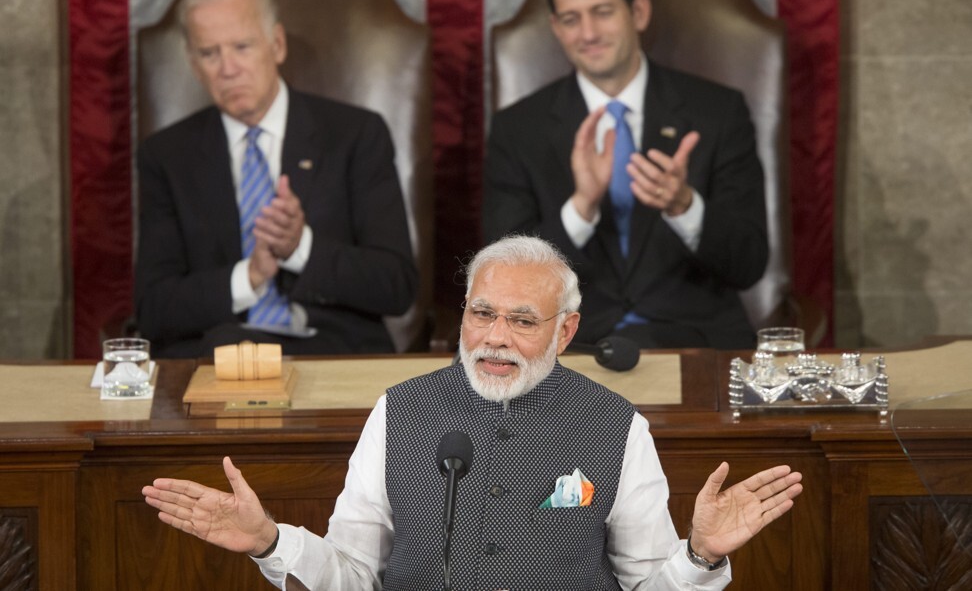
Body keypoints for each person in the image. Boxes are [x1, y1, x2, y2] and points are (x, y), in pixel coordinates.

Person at [143, 235, 802, 590]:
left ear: (565, 331)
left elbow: (646, 586)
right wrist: (269, 541)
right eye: (481, 312)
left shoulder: (617, 426)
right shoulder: (398, 411)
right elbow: (351, 576)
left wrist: (700, 555)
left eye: (522, 320)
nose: (494, 337)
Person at [483, 0, 768, 349]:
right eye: (571, 19)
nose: (589, 34)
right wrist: (580, 209)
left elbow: (749, 263)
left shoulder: (718, 112)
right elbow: (505, 280)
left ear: (638, 12)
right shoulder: (518, 128)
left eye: (602, 13)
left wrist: (684, 206)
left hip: (695, 343)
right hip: (569, 350)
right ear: (556, 28)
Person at [134, 0, 417, 357]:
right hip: (217, 360)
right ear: (193, 64)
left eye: (242, 46)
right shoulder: (166, 156)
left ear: (277, 44)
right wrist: (248, 277)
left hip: (333, 355)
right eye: (209, 53)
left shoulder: (354, 135)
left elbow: (396, 286)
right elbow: (153, 309)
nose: (227, 68)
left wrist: (300, 247)